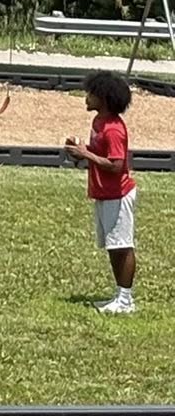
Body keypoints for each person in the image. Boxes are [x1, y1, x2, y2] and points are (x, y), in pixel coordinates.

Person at [65, 71, 139, 314]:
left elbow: (117, 165)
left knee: (122, 245)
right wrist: (79, 150)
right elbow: (99, 155)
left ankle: (126, 300)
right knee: (112, 245)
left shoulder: (114, 129)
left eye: (91, 94)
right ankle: (119, 296)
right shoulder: (98, 123)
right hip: (103, 193)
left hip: (118, 195)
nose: (86, 98)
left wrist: (85, 154)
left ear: (104, 99)